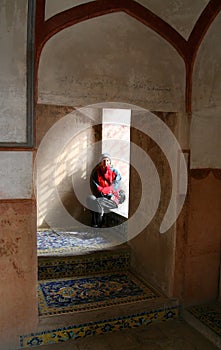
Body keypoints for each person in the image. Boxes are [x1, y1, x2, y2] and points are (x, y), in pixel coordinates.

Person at [87, 153, 122, 227]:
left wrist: (108, 192)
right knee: (90, 198)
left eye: (107, 160)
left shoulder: (115, 172)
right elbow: (96, 186)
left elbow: (116, 185)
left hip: (112, 198)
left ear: (110, 162)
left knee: (97, 202)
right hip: (100, 196)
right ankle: (99, 222)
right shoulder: (96, 172)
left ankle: (96, 224)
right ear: (100, 162)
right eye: (103, 160)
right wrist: (102, 193)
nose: (105, 163)